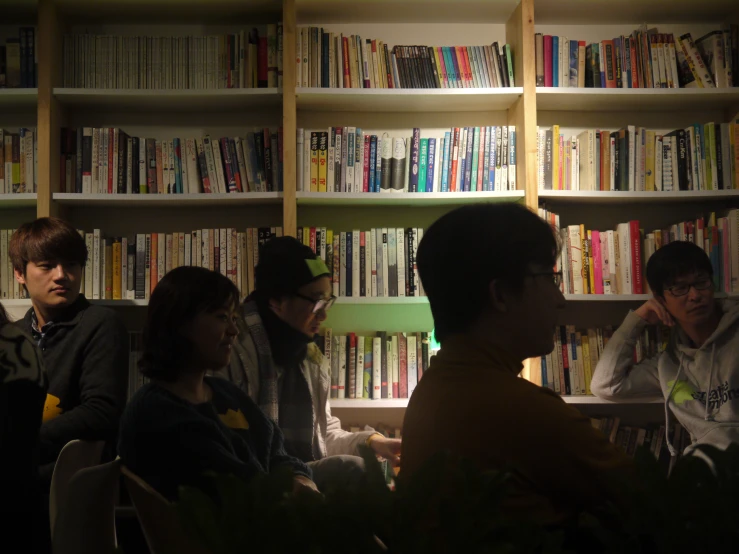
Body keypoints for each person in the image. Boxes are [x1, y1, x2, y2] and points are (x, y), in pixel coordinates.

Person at [401, 204, 631, 526]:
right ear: (500, 295)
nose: (560, 299)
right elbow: (655, 506)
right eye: (549, 278)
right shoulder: (527, 412)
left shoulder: (433, 390)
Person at [118, 266, 316, 500]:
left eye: (235, 318)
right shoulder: (159, 412)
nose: (234, 330)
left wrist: (301, 477)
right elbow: (241, 488)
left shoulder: (225, 393)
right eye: (222, 317)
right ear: (179, 322)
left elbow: (277, 450)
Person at [222, 237, 401, 491]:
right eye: (317, 301)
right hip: (254, 490)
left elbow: (324, 436)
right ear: (276, 300)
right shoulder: (232, 349)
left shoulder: (311, 357)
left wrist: (372, 442)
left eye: (328, 301)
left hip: (303, 481)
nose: (324, 314)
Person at [9, 217, 129, 486]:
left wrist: (20, 444)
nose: (62, 275)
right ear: (20, 273)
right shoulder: (13, 335)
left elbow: (102, 412)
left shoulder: (100, 323)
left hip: (68, 483)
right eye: (47, 266)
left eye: (72, 264)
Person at [591, 240, 739, 456]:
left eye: (701, 282)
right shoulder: (667, 365)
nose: (695, 295)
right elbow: (605, 386)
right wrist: (637, 319)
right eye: (680, 288)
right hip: (706, 475)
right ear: (661, 300)